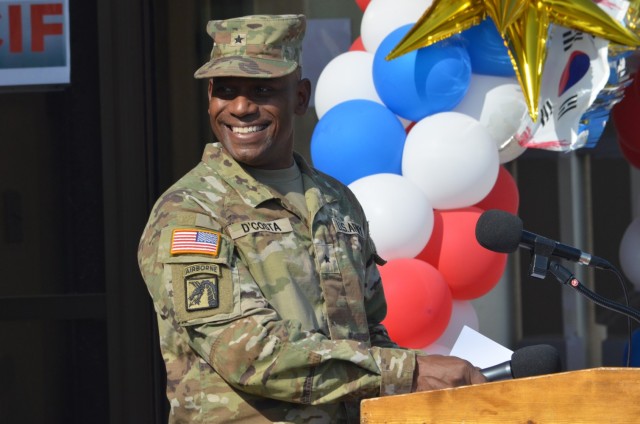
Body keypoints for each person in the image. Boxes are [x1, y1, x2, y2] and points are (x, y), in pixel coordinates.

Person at [138, 14, 486, 423]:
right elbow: (250, 354)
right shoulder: (190, 211)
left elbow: (368, 332)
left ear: (300, 97)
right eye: (226, 91)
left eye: (262, 90)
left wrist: (426, 381)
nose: (241, 108)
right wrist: (409, 372)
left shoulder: (337, 201)